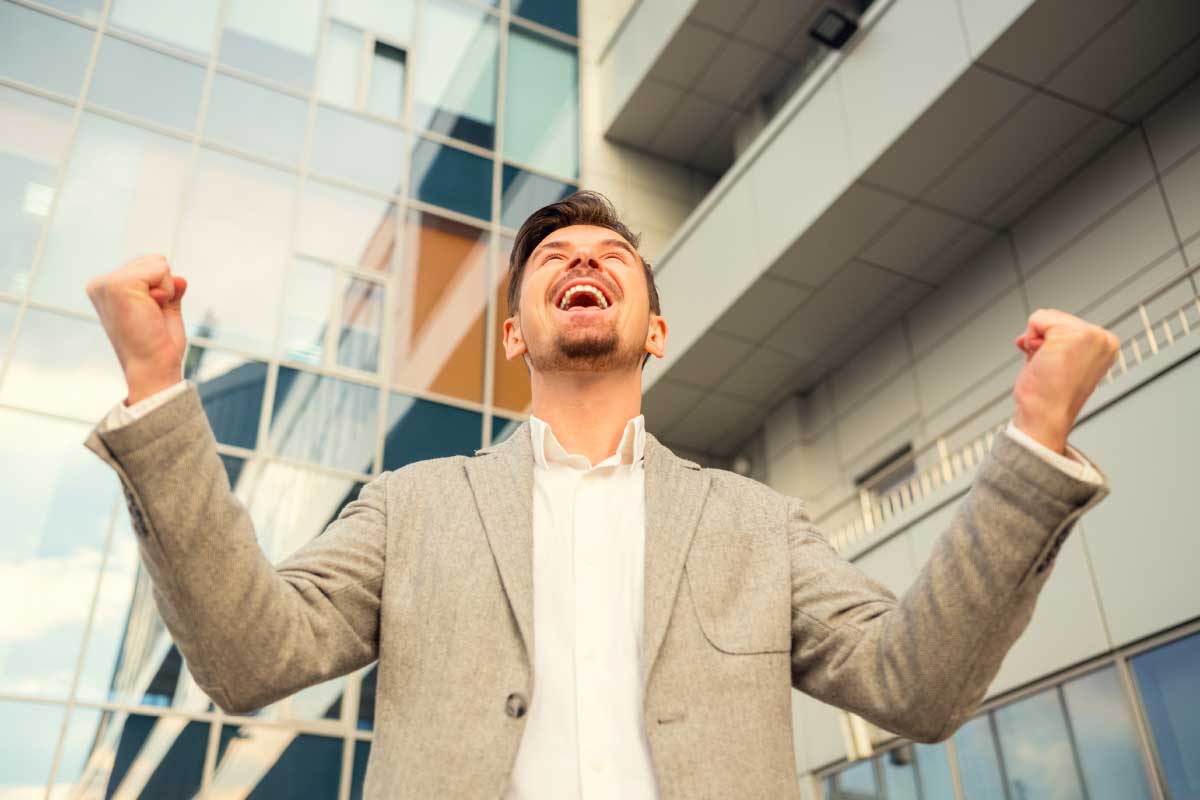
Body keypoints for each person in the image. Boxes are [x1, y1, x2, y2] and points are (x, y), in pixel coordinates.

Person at [84, 191, 1119, 798]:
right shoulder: (409, 508)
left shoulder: (759, 526)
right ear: (514, 333)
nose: (582, 258)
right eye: (554, 257)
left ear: (654, 330)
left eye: (611, 254)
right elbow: (250, 657)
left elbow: (915, 684)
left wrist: (1034, 444)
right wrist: (157, 389)